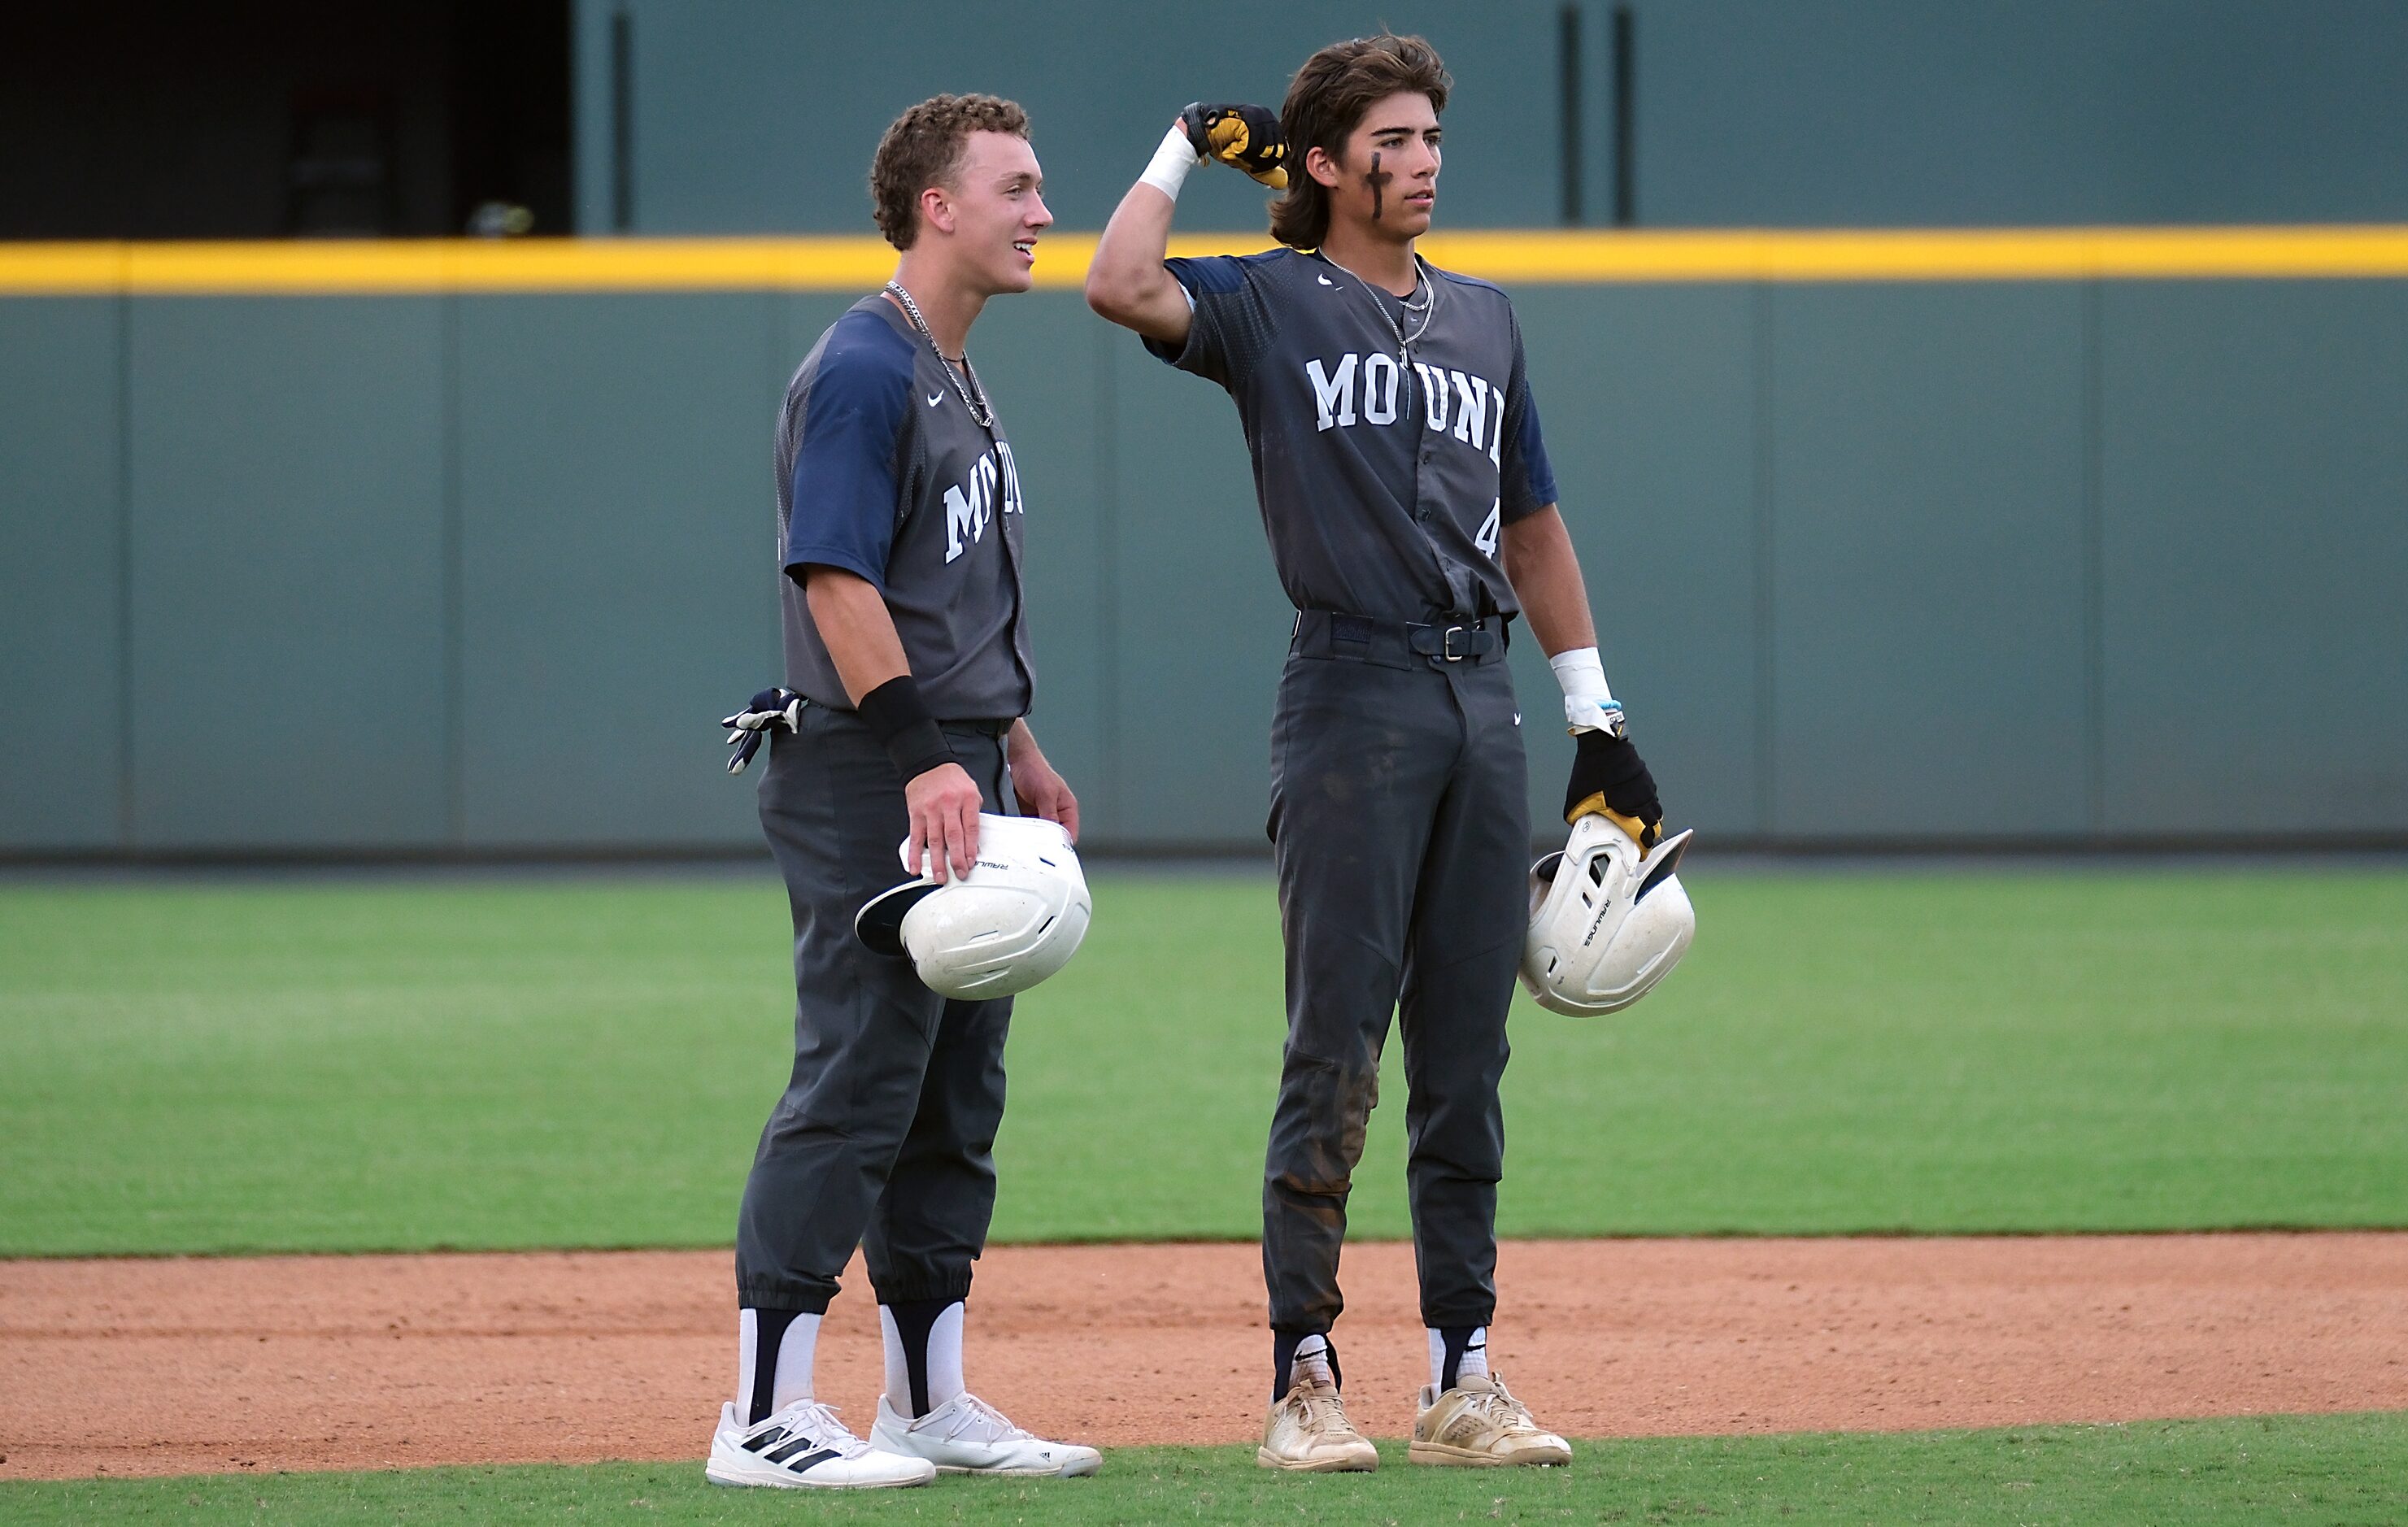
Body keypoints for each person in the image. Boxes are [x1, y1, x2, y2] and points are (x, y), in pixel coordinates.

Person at [1085, 35, 1666, 1473]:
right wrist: (1180, 142)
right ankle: (1303, 1377)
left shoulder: (1483, 317)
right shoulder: (1271, 303)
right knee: (1334, 1045)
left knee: (1467, 1056)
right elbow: (1114, 282)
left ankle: (1464, 1375)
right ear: (1328, 163)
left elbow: (1531, 526)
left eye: (1430, 140)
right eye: (1392, 141)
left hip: (1482, 704)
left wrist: (1602, 723)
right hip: (1348, 696)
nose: (1421, 162)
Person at [705, 93, 1100, 1490]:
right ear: (938, 205)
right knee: (861, 1068)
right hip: (869, 761)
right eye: (1019, 186)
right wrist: (930, 749)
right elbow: (834, 576)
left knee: (951, 1086)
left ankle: (924, 1398)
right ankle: (762, 1411)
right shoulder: (866, 363)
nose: (1042, 210)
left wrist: (1012, 742)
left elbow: (952, 590)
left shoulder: (955, 368)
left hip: (956, 754)